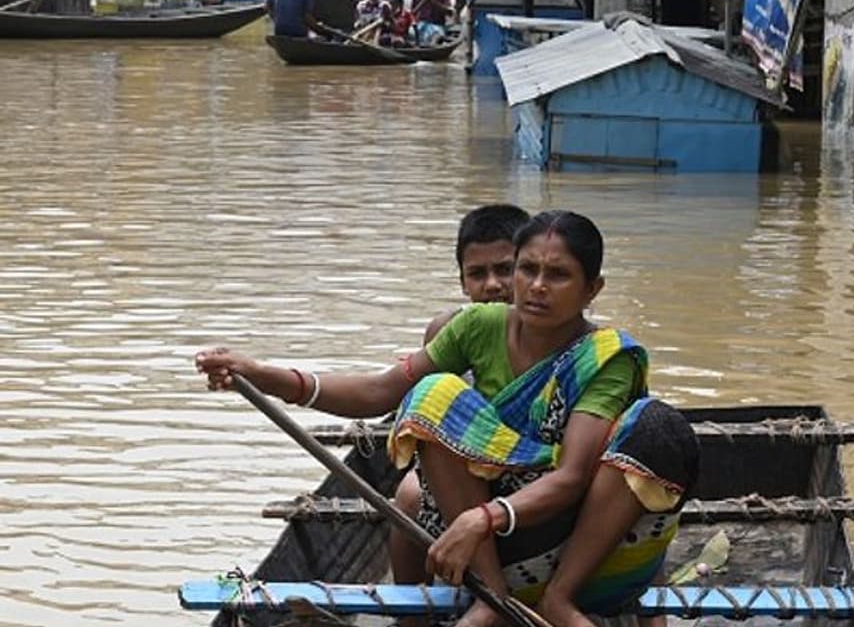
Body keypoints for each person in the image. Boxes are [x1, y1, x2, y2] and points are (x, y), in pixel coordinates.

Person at [195, 210, 700, 627]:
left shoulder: (606, 356)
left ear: (592, 289)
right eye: (528, 270)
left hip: (559, 533)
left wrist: (480, 520)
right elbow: (380, 390)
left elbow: (572, 478)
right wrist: (263, 374)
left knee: (656, 426)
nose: (535, 287)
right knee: (432, 394)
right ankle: (492, 600)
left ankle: (560, 601)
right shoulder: (477, 326)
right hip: (486, 538)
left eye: (559, 275)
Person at [385, 204, 531, 594]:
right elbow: (411, 404)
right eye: (478, 274)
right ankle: (413, 616)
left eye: (505, 269)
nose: (493, 285)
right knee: (409, 493)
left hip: (537, 468)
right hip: (463, 467)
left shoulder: (559, 331)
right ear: (463, 282)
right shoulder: (451, 331)